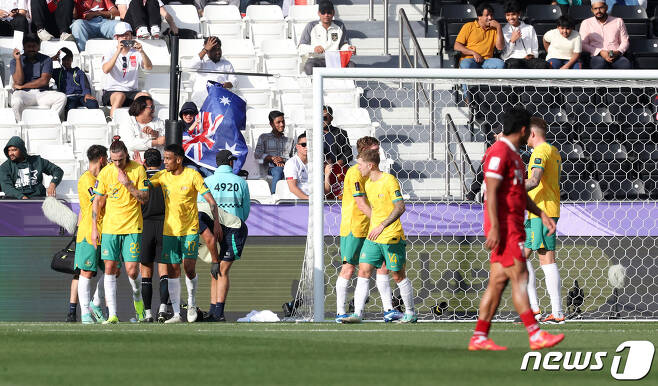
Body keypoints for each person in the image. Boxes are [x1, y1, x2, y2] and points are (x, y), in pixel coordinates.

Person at [468, 108, 564, 351]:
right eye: (527, 133)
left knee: (498, 282)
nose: (528, 138)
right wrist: (494, 228)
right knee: (521, 276)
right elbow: (490, 189)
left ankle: (479, 336)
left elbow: (518, 191)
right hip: (504, 228)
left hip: (512, 224)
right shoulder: (500, 151)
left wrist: (540, 212)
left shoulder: (515, 155)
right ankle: (535, 333)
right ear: (523, 131)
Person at [148, 144, 221, 324]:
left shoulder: (192, 175)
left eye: (168, 158)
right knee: (173, 269)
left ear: (178, 160)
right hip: (169, 230)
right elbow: (143, 183)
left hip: (189, 230)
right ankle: (176, 314)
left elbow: (211, 201)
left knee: (188, 268)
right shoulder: (162, 176)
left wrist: (217, 223)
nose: (164, 162)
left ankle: (191, 303)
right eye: (164, 158)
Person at [341, 149, 416, 324]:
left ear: (370, 165)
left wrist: (382, 225)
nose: (358, 168)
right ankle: (357, 314)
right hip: (373, 237)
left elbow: (400, 207)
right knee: (363, 270)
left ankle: (411, 312)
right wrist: (375, 223)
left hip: (391, 236)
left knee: (398, 275)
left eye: (360, 164)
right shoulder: (367, 184)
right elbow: (372, 209)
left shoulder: (389, 180)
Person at [334, 137, 401, 323]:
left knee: (382, 266)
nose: (379, 152)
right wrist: (380, 221)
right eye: (375, 149)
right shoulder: (355, 172)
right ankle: (340, 312)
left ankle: (388, 309)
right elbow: (361, 203)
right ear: (365, 151)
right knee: (349, 268)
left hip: (372, 227)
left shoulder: (376, 174)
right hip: (355, 226)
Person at [91, 137, 150, 324]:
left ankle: (138, 300)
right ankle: (113, 315)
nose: (117, 163)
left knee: (132, 271)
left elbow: (145, 198)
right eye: (114, 160)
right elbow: (97, 203)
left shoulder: (138, 170)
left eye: (121, 160)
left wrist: (127, 184)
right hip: (110, 228)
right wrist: (94, 228)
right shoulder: (106, 173)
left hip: (132, 226)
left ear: (126, 155)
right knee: (110, 268)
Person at [523, 117, 564, 324]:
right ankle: (542, 311)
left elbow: (534, 180)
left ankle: (550, 312)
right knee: (529, 258)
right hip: (542, 210)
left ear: (532, 133)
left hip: (542, 211)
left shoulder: (540, 151)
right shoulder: (554, 151)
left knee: (541, 258)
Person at [203, 149, 250, 321]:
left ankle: (216, 312)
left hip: (212, 229)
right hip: (234, 228)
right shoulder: (240, 182)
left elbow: (202, 209)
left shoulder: (207, 181)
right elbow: (245, 210)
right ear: (230, 162)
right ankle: (217, 312)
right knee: (220, 270)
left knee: (217, 270)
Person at [75, 144, 109, 324]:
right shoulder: (86, 180)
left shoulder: (102, 177)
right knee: (87, 271)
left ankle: (95, 303)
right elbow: (100, 203)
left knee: (113, 270)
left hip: (107, 230)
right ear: (102, 159)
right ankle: (85, 314)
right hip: (89, 231)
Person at [139, 148, 170, 323]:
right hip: (164, 225)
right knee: (163, 270)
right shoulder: (166, 178)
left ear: (145, 162)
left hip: (145, 226)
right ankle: (163, 310)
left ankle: (148, 313)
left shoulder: (141, 179)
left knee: (146, 272)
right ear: (161, 162)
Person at [10, 34, 67, 122]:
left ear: (39, 47)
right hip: (24, 94)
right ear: (23, 47)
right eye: (28, 46)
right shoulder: (15, 61)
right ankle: (21, 125)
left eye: (34, 46)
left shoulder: (46, 59)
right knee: (15, 101)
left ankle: (48, 122)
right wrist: (18, 60)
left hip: (42, 93)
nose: (31, 49)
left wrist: (23, 86)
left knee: (62, 97)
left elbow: (44, 81)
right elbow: (19, 81)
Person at [101, 22, 153, 118]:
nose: (124, 38)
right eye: (121, 35)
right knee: (120, 96)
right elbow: (105, 70)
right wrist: (118, 52)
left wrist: (142, 51)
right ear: (116, 37)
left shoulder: (136, 52)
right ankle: (113, 123)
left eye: (127, 35)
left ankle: (143, 123)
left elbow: (149, 67)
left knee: (145, 97)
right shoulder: (110, 51)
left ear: (131, 36)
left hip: (131, 91)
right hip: (112, 91)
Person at [298, 0, 356, 75]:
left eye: (329, 12)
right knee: (309, 66)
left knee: (352, 65)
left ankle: (348, 86)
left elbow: (342, 45)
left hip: (334, 60)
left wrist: (349, 48)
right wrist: (314, 48)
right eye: (323, 12)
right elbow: (301, 47)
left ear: (333, 13)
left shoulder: (340, 26)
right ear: (318, 13)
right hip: (316, 59)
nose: (326, 15)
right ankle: (314, 86)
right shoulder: (311, 26)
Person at [189, 36, 238, 108]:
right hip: (201, 101)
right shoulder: (201, 61)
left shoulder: (227, 63)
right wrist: (204, 50)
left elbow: (234, 80)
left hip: (219, 101)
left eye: (219, 49)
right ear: (207, 50)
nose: (218, 52)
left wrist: (228, 84)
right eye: (214, 49)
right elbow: (191, 66)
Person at [580, 1, 631, 69]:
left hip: (615, 55)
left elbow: (625, 41)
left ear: (606, 7)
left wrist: (618, 51)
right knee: (600, 64)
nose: (598, 11)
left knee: (625, 64)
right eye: (595, 8)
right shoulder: (586, 23)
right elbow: (583, 44)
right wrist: (600, 52)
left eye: (601, 8)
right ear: (592, 10)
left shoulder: (618, 21)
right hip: (596, 56)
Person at [254, 110, 295, 194]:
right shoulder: (264, 137)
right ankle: (274, 196)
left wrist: (282, 160)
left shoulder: (290, 140)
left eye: (283, 121)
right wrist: (271, 158)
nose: (282, 124)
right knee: (278, 170)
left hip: (287, 167)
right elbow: (257, 154)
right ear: (271, 124)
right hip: (269, 168)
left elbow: (295, 158)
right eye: (278, 122)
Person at [454, 2, 505, 70]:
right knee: (465, 64)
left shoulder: (495, 29)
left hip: (487, 61)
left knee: (500, 64)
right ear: (479, 17)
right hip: (470, 59)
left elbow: (500, 47)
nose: (490, 18)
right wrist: (473, 53)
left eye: (491, 15)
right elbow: (457, 46)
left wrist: (499, 27)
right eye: (487, 15)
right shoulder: (469, 26)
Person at [51, 47, 99, 118]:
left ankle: (96, 122)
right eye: (64, 60)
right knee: (70, 107)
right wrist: (52, 59)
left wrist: (87, 94)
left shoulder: (78, 71)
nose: (66, 62)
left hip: (81, 96)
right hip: (68, 98)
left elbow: (85, 85)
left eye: (68, 60)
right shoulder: (57, 72)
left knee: (93, 103)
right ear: (60, 60)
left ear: (72, 60)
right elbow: (42, 67)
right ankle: (69, 126)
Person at [500, 1, 548, 69]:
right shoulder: (504, 31)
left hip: (529, 59)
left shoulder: (530, 28)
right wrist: (512, 41)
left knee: (543, 65)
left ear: (519, 14)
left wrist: (532, 55)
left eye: (513, 14)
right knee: (514, 64)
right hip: (512, 59)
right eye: (508, 15)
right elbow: (504, 56)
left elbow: (535, 49)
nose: (511, 18)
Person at [120, 95, 166, 161]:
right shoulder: (127, 123)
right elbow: (131, 144)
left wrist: (155, 134)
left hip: (158, 162)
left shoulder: (159, 122)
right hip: (135, 163)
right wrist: (156, 142)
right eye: (151, 107)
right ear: (141, 109)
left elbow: (165, 141)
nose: (153, 110)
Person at [284, 133, 310, 199]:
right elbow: (292, 188)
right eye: (304, 145)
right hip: (298, 202)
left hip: (315, 201)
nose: (307, 147)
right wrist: (309, 199)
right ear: (297, 146)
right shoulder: (291, 163)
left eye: (310, 144)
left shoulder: (315, 163)